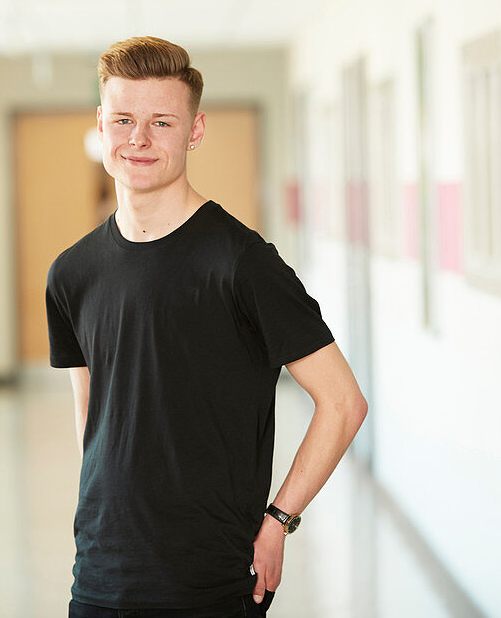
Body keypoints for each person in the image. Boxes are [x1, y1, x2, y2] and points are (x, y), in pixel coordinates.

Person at [45, 36, 367, 617]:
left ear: (194, 131)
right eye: (123, 120)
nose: (139, 139)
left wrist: (278, 522)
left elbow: (343, 403)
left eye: (162, 122)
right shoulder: (72, 273)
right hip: (99, 575)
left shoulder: (243, 264)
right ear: (101, 126)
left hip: (213, 578)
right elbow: (92, 422)